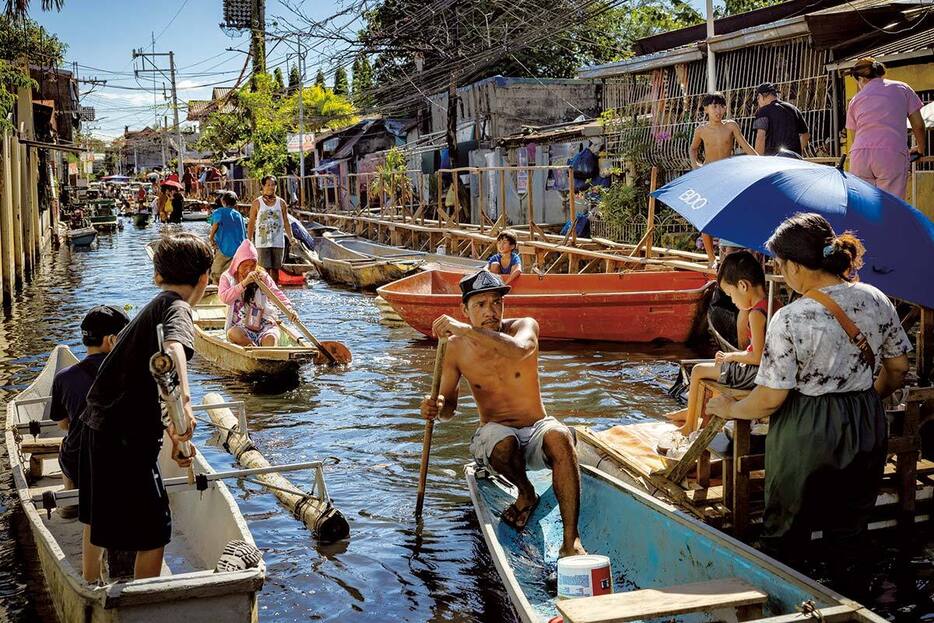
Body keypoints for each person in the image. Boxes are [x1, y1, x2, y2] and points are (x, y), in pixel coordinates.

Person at [706, 213, 909, 582]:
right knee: (849, 530)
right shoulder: (876, 298)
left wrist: (730, 407)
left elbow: (769, 398)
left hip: (807, 429)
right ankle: (850, 597)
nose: (782, 274)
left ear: (797, 266)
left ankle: (785, 601)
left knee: (785, 532)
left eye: (781, 266)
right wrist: (864, 399)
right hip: (865, 420)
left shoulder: (790, 318)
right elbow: (898, 367)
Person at [421, 270, 586, 558]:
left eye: (496, 302)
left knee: (560, 435)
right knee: (503, 442)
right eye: (480, 305)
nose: (490, 311)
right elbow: (449, 410)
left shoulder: (524, 327)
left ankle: (571, 543)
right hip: (496, 434)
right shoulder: (455, 348)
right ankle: (525, 492)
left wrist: (465, 329)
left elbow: (521, 350)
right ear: (464, 309)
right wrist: (436, 405)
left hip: (536, 428)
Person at [77, 233, 212, 582]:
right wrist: (184, 401)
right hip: (122, 437)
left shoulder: (155, 307)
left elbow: (149, 385)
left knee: (97, 519)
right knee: (155, 530)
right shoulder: (179, 308)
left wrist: (174, 433)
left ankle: (91, 587)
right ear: (205, 279)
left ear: (157, 277)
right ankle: (146, 603)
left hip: (98, 426)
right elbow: (174, 351)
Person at [668, 251, 777, 433]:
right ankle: (695, 411)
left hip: (757, 373)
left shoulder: (756, 314)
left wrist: (731, 356)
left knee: (698, 370)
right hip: (767, 371)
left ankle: (690, 424)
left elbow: (757, 356)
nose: (733, 302)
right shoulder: (775, 304)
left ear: (743, 286)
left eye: (731, 295)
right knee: (714, 368)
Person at [49, 306, 130, 522]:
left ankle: (71, 501)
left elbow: (63, 424)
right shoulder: (131, 373)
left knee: (67, 443)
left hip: (79, 463)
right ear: (111, 340)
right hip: (121, 461)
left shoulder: (64, 378)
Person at [689, 93, 757, 266]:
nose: (718, 111)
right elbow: (693, 149)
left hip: (728, 175)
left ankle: (729, 251)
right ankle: (711, 257)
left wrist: (760, 161)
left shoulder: (731, 126)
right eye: (714, 107)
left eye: (721, 106)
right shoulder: (701, 130)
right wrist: (696, 167)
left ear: (725, 108)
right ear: (706, 110)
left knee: (729, 212)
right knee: (706, 216)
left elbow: (745, 145)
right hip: (709, 175)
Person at [846, 57, 926, 199]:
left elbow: (854, 136)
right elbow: (918, 125)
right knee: (891, 206)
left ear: (861, 79)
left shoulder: (855, 100)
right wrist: (920, 149)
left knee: (864, 206)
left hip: (859, 156)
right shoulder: (902, 88)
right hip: (891, 154)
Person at [218, 239, 296, 347]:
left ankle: (264, 350)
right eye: (245, 266)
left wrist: (289, 309)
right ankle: (252, 346)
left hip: (263, 323)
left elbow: (276, 294)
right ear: (237, 264)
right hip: (241, 325)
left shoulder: (262, 276)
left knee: (271, 339)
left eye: (252, 266)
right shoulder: (227, 277)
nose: (249, 270)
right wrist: (244, 283)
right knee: (233, 334)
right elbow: (225, 298)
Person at [248, 175, 293, 284]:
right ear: (263, 186)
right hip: (262, 242)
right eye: (268, 185)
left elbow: (286, 222)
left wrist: (291, 237)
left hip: (278, 241)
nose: (271, 187)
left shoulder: (281, 203)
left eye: (273, 185)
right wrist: (248, 240)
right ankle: (265, 294)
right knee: (264, 270)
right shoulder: (257, 203)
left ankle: (274, 292)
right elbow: (251, 222)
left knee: (276, 269)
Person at [753, 82, 810, 157]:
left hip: (775, 160)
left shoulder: (763, 111)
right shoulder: (793, 109)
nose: (758, 103)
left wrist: (758, 160)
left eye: (757, 99)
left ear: (760, 96)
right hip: (795, 160)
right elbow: (806, 136)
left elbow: (760, 136)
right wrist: (795, 153)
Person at [208, 191, 246, 284]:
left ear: (223, 201)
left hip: (224, 248)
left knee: (216, 272)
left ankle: (217, 291)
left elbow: (216, 224)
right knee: (231, 272)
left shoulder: (219, 212)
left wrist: (211, 237)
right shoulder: (239, 215)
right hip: (238, 249)